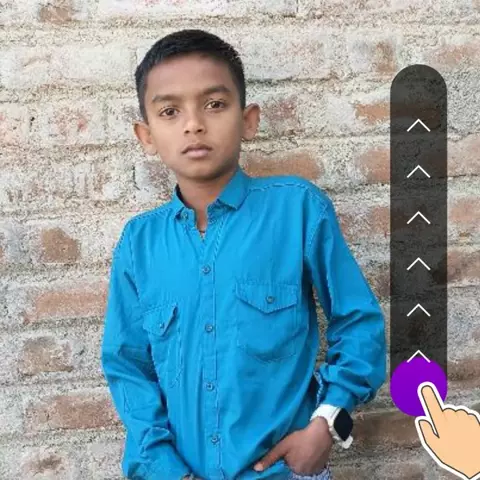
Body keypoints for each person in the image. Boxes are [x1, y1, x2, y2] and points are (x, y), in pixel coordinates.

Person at [100, 29, 387, 480]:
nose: (193, 124)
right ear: (146, 135)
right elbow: (128, 366)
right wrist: (163, 468)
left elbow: (358, 321)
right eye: (170, 111)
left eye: (214, 104)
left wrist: (326, 423)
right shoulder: (140, 243)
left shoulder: (297, 211)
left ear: (248, 119)